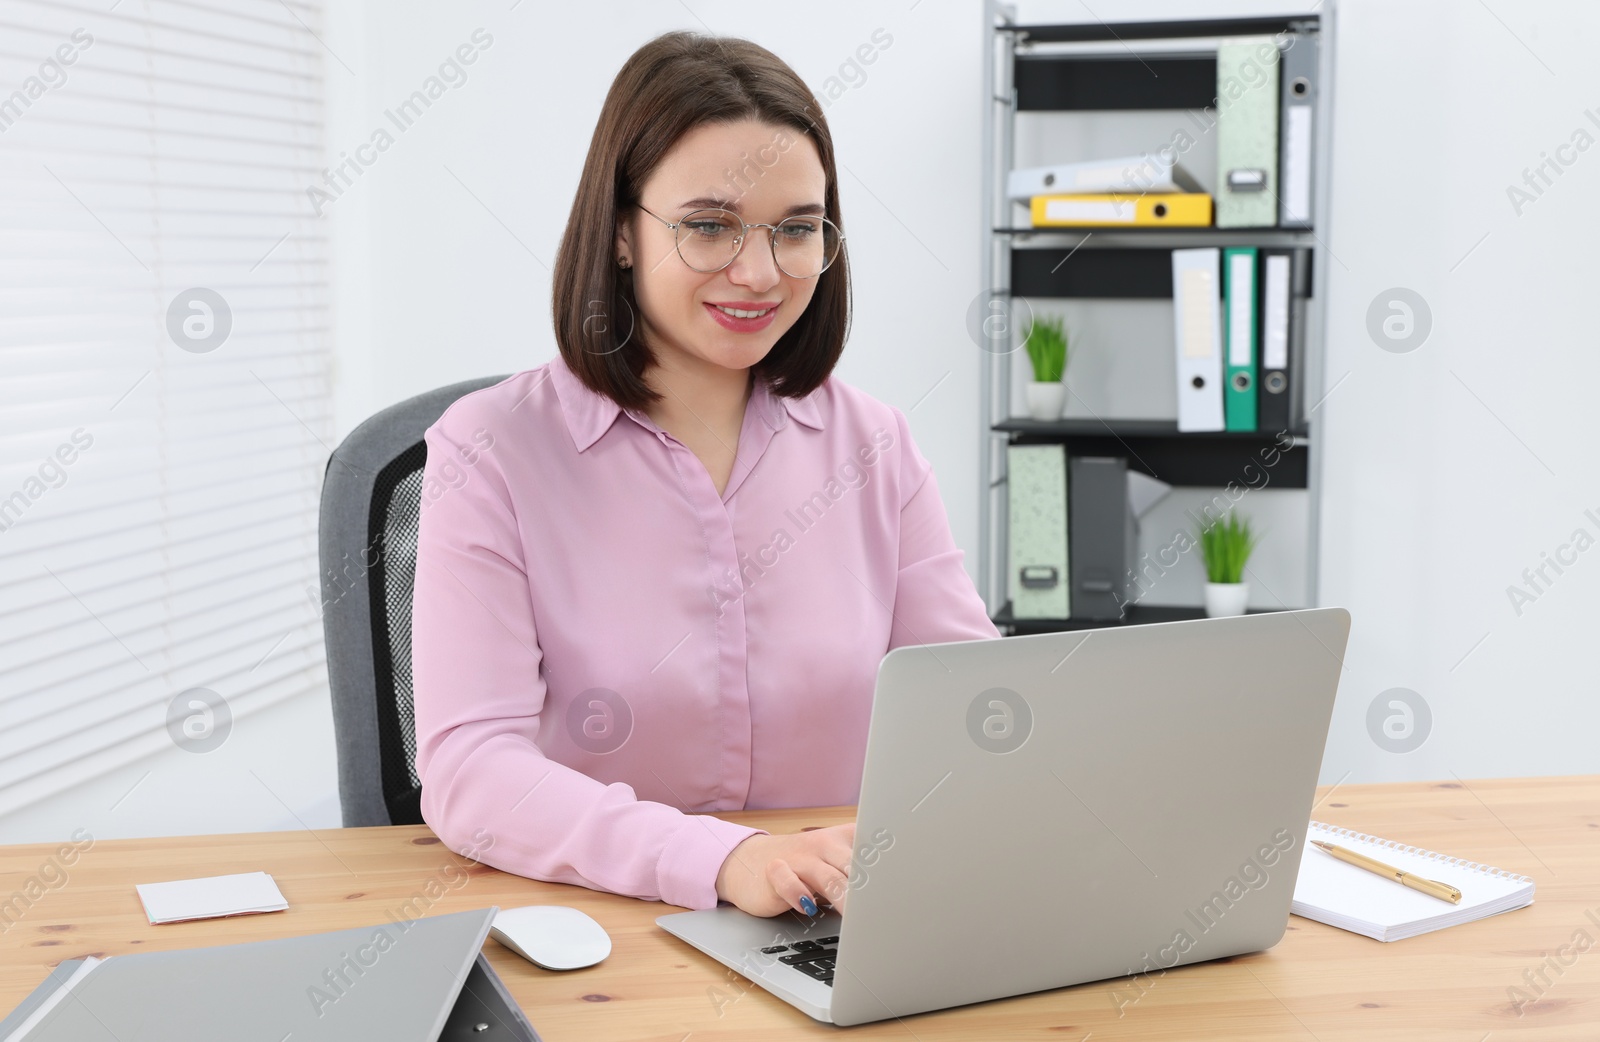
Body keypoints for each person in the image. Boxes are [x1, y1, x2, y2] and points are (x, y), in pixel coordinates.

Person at [410, 30, 998, 922]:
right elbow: (472, 774)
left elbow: (972, 709)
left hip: (840, 920)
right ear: (618, 232)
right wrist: (725, 858)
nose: (759, 272)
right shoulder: (490, 450)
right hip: (602, 927)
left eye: (796, 229)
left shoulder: (874, 445)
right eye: (710, 226)